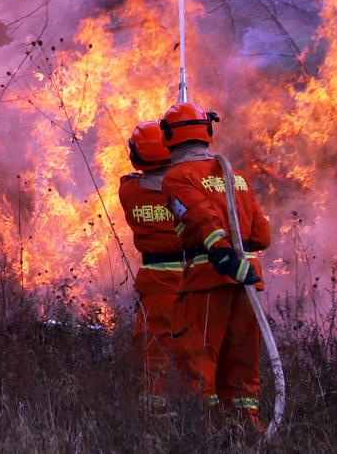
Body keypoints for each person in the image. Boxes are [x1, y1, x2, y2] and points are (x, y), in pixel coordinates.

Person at [158, 101, 271, 427]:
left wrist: (221, 253)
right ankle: (247, 431)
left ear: (168, 137)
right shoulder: (237, 177)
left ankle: (202, 431)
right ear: (207, 131)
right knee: (242, 364)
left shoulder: (178, 177)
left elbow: (199, 216)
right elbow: (261, 236)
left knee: (195, 359)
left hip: (209, 278)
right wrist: (237, 258)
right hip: (246, 281)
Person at [116, 119, 184, 404]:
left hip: (156, 282)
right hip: (196, 277)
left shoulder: (129, 192)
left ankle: (154, 406)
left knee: (152, 346)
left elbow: (132, 180)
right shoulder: (186, 189)